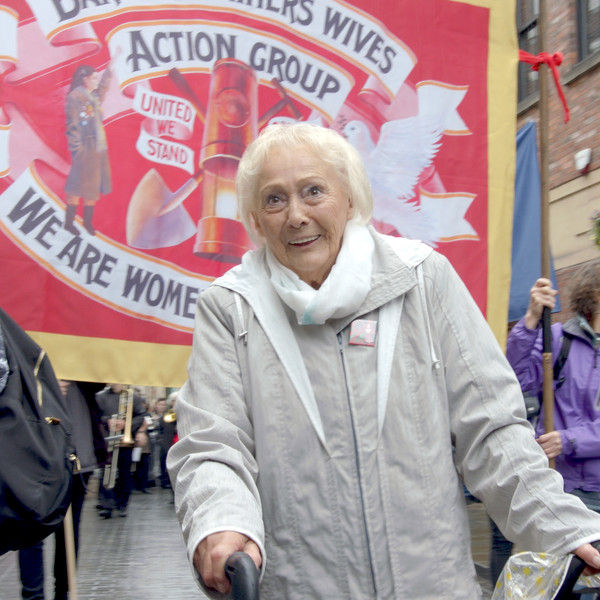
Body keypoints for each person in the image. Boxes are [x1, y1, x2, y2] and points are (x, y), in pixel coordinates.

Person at [167, 123, 600, 599]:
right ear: (255, 219)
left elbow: (492, 428)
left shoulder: (422, 278)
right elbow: (214, 446)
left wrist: (561, 524)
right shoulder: (229, 308)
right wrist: (222, 523)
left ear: (350, 198)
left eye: (314, 191)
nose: (296, 215)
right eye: (274, 199)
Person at [506, 267, 600, 513]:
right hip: (559, 486)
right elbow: (514, 381)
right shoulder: (559, 339)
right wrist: (530, 320)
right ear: (595, 294)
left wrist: (569, 440)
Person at [18, 380, 105, 600]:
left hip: (77, 453)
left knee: (69, 532)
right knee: (30, 531)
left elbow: (101, 377)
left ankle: (63, 592)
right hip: (32, 454)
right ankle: (33, 596)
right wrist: (41, 382)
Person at [63, 63, 112, 236]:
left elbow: (103, 87)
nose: (97, 81)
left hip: (98, 148)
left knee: (92, 188)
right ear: (85, 79)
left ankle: (87, 223)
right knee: (76, 187)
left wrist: (111, 67)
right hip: (85, 148)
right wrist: (78, 151)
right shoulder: (75, 97)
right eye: (94, 78)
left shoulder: (94, 96)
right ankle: (69, 223)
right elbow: (72, 125)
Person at [96, 384, 145, 518]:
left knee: (124, 473)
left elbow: (141, 415)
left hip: (125, 441)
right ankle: (106, 505)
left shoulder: (132, 396)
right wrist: (107, 421)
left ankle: (122, 504)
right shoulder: (101, 397)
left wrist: (126, 424)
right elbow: (96, 415)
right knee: (107, 472)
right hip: (107, 440)